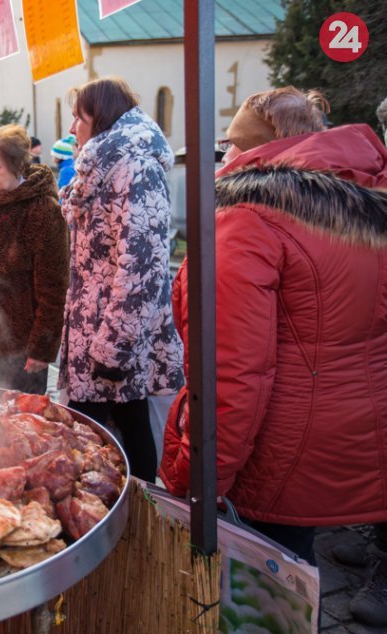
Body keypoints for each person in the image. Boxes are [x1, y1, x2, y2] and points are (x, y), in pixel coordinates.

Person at [159, 87, 387, 624]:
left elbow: (232, 376)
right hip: (347, 434)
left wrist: (196, 478)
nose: (224, 159)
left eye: (230, 147)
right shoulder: (365, 202)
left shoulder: (249, 217)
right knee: (296, 568)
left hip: (275, 449)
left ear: (261, 150)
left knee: (260, 594)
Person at [57, 77, 184, 481]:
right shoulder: (103, 164)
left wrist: (112, 349)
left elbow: (142, 264)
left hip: (115, 338)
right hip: (96, 332)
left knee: (124, 435)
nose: (73, 127)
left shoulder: (135, 166)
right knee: (110, 431)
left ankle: (133, 519)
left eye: (80, 118)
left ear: (103, 118)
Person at [0, 124, 69, 393]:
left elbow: (54, 289)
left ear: (15, 165)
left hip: (23, 349)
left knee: (19, 424)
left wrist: (41, 349)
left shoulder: (43, 211)